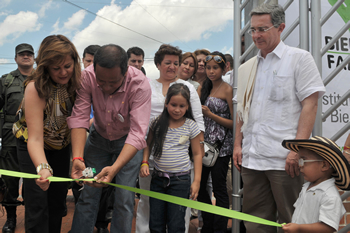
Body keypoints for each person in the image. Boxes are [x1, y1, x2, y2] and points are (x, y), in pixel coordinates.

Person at [233, 3, 326, 233]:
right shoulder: (248, 67)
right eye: (253, 29)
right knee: (255, 223)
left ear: (280, 27)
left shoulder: (299, 59)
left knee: (294, 222)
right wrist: (237, 144)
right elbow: (242, 110)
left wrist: (297, 150)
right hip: (252, 159)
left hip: (285, 160)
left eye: (262, 29)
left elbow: (310, 105)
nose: (256, 35)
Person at [68, 44, 151, 233]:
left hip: (128, 142)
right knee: (88, 192)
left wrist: (114, 169)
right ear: (94, 68)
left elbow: (138, 133)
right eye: (101, 81)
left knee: (124, 197)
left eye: (112, 82)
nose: (105, 87)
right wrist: (78, 158)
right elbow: (80, 118)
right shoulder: (87, 76)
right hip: (97, 140)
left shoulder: (140, 83)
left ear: (126, 71)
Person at [13, 35, 81, 233]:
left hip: (61, 144)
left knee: (57, 200)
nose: (63, 73)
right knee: (37, 200)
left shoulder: (77, 83)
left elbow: (79, 121)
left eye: (67, 66)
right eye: (56, 68)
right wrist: (43, 168)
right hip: (31, 144)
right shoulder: (35, 87)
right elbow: (34, 138)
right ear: (45, 66)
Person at [135, 44, 204, 233]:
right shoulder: (147, 84)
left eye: (176, 63)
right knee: (148, 199)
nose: (172, 66)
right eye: (167, 62)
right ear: (158, 64)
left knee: (179, 206)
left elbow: (198, 120)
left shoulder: (186, 86)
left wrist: (196, 149)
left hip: (179, 155)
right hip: (149, 152)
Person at [197, 51, 233, 233]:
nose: (211, 71)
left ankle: (219, 228)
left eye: (215, 68)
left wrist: (211, 115)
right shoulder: (203, 88)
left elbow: (234, 123)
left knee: (219, 189)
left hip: (222, 148)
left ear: (224, 68)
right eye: (208, 68)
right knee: (200, 185)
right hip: (202, 145)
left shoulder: (228, 89)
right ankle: (208, 224)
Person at [281, 136, 349, 233]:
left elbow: (327, 227)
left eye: (303, 160)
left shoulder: (330, 195)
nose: (300, 165)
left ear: (324, 165)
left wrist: (299, 228)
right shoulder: (306, 187)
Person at [0, 43, 34, 233]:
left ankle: (31, 217)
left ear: (34, 58)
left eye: (29, 54)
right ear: (15, 58)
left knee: (33, 181)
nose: (26, 56)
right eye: (22, 54)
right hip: (10, 139)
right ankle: (11, 220)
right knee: (10, 182)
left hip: (36, 139)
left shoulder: (42, 78)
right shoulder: (5, 81)